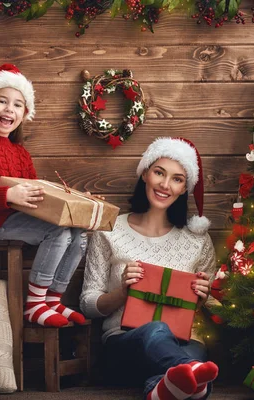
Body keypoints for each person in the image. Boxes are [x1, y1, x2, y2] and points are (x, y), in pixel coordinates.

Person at [80, 137, 219, 400]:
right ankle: (193, 379)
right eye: (159, 173)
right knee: (159, 330)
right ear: (145, 173)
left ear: (184, 188)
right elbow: (88, 304)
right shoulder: (110, 231)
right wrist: (122, 292)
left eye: (177, 179)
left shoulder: (197, 240)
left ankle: (163, 388)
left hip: (186, 341)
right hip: (124, 343)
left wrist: (204, 298)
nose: (165, 185)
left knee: (191, 355)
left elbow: (215, 305)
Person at [0, 64, 87, 328]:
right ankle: (35, 304)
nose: (9, 109)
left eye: (17, 105)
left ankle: (53, 298)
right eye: (2, 101)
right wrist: (8, 194)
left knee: (79, 232)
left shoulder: (20, 152)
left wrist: (72, 201)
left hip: (21, 218)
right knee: (56, 232)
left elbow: (37, 194)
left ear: (24, 114)